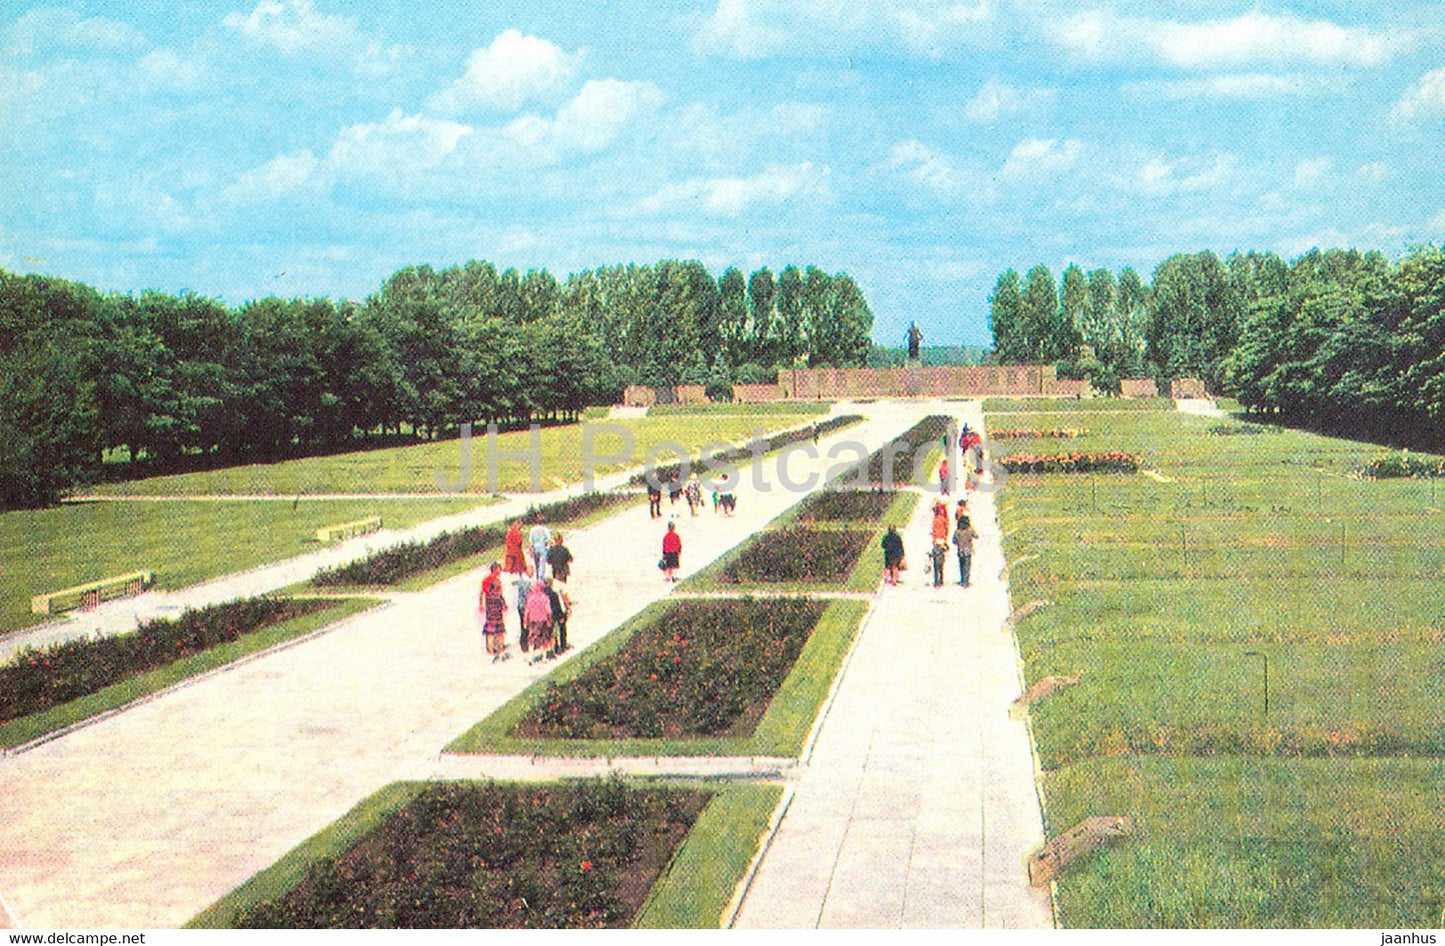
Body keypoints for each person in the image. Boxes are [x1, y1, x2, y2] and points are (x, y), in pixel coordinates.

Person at [480, 562, 509, 662]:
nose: (500, 571)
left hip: (489, 605)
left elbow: (482, 593)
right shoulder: (496, 581)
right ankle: (500, 648)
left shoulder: (485, 580)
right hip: (496, 606)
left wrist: (481, 604)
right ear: (495, 569)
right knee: (500, 630)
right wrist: (504, 604)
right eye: (499, 569)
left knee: (490, 629)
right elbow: (500, 595)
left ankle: (491, 650)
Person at [523, 578, 554, 662]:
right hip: (543, 620)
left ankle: (530, 657)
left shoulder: (530, 598)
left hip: (533, 620)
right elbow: (548, 611)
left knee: (532, 639)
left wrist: (525, 621)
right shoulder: (545, 597)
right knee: (544, 639)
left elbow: (527, 611)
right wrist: (549, 620)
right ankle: (544, 657)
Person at [546, 578, 572, 657]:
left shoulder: (546, 592)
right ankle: (563, 646)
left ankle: (557, 647)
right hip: (559, 610)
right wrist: (568, 608)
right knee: (562, 628)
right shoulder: (556, 591)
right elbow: (564, 597)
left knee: (554, 631)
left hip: (551, 613)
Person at [955, 514, 979, 587]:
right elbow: (976, 536)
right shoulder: (970, 531)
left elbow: (954, 541)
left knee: (962, 566)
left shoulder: (957, 532)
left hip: (960, 550)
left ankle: (962, 580)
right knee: (967, 566)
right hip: (968, 551)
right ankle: (966, 581)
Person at [930, 501, 950, 588]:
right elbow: (946, 528)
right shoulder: (943, 519)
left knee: (935, 561)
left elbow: (933, 530)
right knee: (941, 561)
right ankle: (941, 579)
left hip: (936, 540)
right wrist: (945, 537)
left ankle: (936, 580)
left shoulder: (935, 520)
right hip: (942, 539)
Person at [513, 570, 534, 653]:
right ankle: (524, 644)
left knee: (523, 624)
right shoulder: (526, 582)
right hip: (524, 606)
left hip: (520, 605)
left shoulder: (522, 579)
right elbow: (527, 595)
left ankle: (525, 643)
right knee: (526, 625)